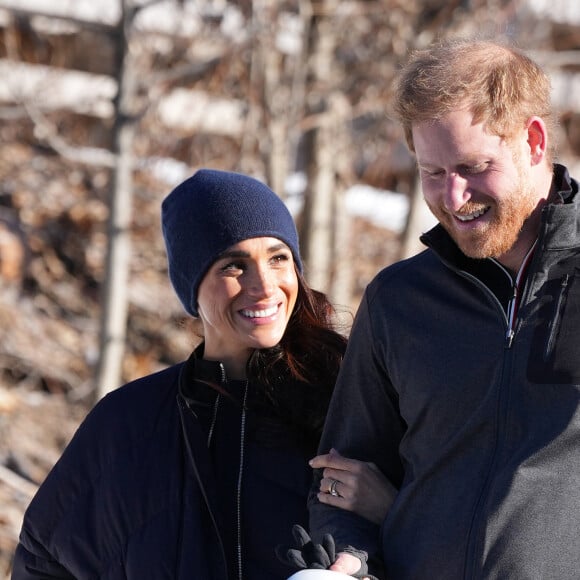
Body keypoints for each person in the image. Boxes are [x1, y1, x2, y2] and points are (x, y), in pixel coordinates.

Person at [307, 36, 580, 579]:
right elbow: (342, 482)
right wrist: (348, 559)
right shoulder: (399, 302)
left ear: (532, 141)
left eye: (473, 167)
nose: (454, 198)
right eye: (433, 173)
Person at [11, 169, 349, 580]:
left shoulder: (346, 399)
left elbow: (426, 522)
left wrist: (383, 508)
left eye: (278, 258)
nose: (264, 285)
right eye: (234, 265)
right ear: (193, 284)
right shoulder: (129, 422)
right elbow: (44, 560)